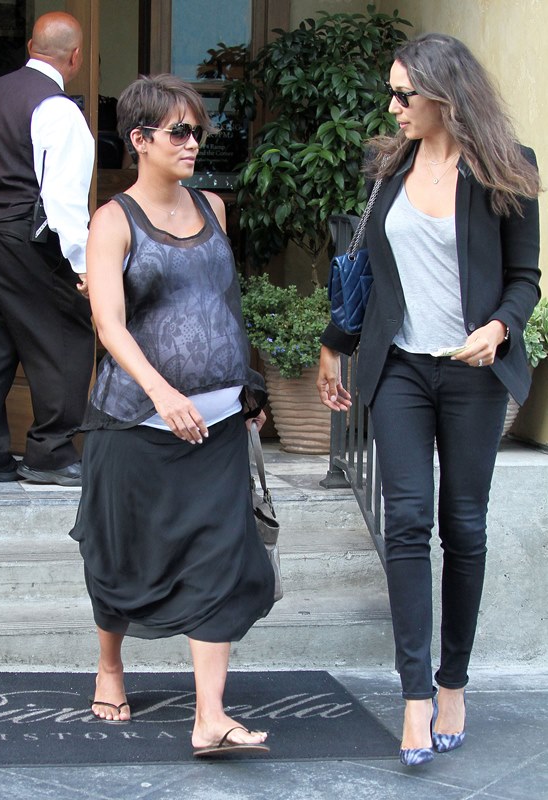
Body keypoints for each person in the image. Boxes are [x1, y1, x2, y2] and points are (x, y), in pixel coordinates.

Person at [318, 34, 541, 766]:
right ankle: (415, 694)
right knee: (408, 523)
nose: (393, 106)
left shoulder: (507, 167)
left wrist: (499, 328)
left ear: (446, 93)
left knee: (464, 527)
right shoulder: (390, 166)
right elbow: (365, 269)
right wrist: (334, 344)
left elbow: (525, 277)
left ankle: (453, 683)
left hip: (473, 374)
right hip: (401, 370)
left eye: (403, 94)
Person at [69, 74, 275, 756]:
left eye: (198, 131)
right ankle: (110, 665)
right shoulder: (112, 221)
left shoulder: (213, 207)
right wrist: (162, 392)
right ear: (140, 139)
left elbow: (222, 307)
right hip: (136, 424)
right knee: (120, 553)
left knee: (220, 557)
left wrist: (248, 392)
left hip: (217, 429)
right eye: (180, 132)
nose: (194, 143)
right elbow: (109, 323)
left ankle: (210, 716)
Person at [0, 12, 95, 487]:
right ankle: (50, 453)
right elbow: (63, 198)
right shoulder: (57, 107)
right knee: (65, 333)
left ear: (31, 46)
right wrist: (84, 265)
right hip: (27, 236)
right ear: (76, 57)